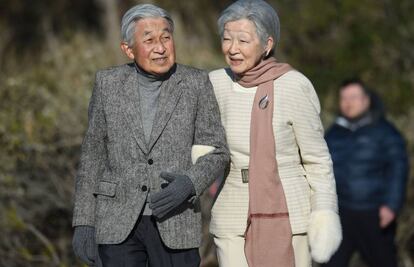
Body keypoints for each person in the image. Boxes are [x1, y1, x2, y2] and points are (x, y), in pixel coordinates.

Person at [71, 4, 229, 267]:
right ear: (128, 49)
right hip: (117, 222)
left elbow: (218, 151)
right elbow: (92, 156)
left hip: (175, 220)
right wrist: (84, 221)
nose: (161, 47)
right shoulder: (107, 83)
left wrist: (189, 184)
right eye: (149, 40)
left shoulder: (196, 83)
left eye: (166, 37)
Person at [208, 0, 342, 266]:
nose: (232, 49)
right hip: (233, 213)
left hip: (290, 214)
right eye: (227, 39)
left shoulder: (294, 85)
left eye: (243, 41)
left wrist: (325, 212)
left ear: (267, 44)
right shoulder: (215, 83)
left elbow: (317, 159)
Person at [324, 79, 409, 267]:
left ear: (366, 100)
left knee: (384, 261)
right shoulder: (334, 133)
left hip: (375, 214)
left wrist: (391, 206)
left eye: (353, 97)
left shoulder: (385, 132)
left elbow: (398, 170)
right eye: (343, 98)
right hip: (340, 212)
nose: (348, 102)